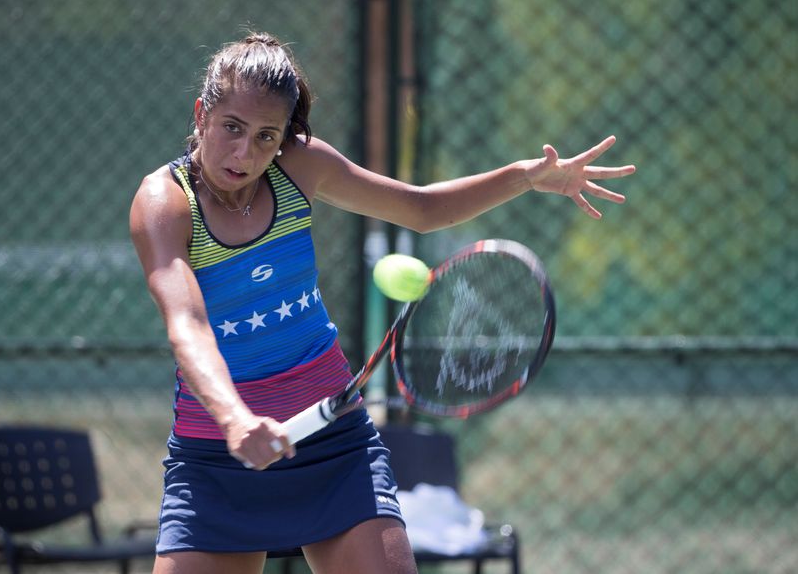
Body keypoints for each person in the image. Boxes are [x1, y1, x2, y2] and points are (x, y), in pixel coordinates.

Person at [129, 32, 636, 574]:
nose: (245, 152)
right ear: (202, 113)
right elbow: (186, 323)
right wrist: (235, 421)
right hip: (217, 460)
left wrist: (525, 176)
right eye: (232, 128)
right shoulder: (164, 202)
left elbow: (420, 210)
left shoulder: (300, 166)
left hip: (333, 446)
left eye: (265, 136)